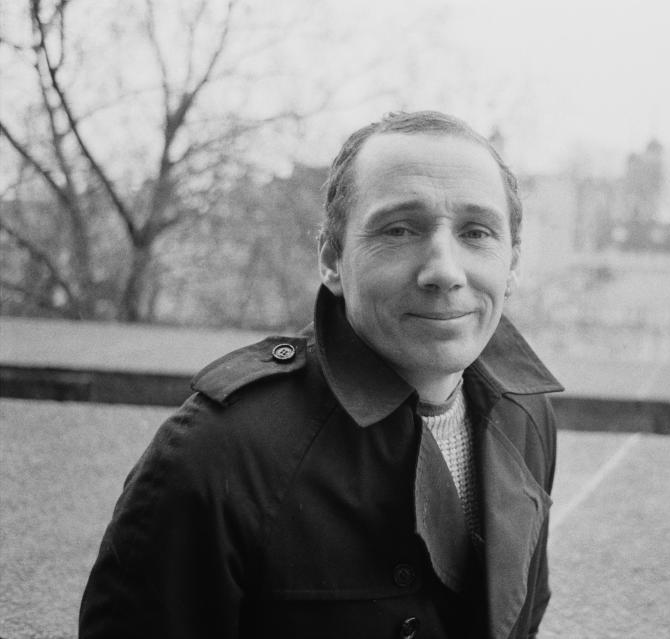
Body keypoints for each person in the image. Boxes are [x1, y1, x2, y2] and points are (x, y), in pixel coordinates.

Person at [79, 110, 563, 639]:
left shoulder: (526, 412)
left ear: (512, 263)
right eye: (400, 229)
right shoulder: (218, 452)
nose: (445, 271)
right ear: (331, 258)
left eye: (476, 232)